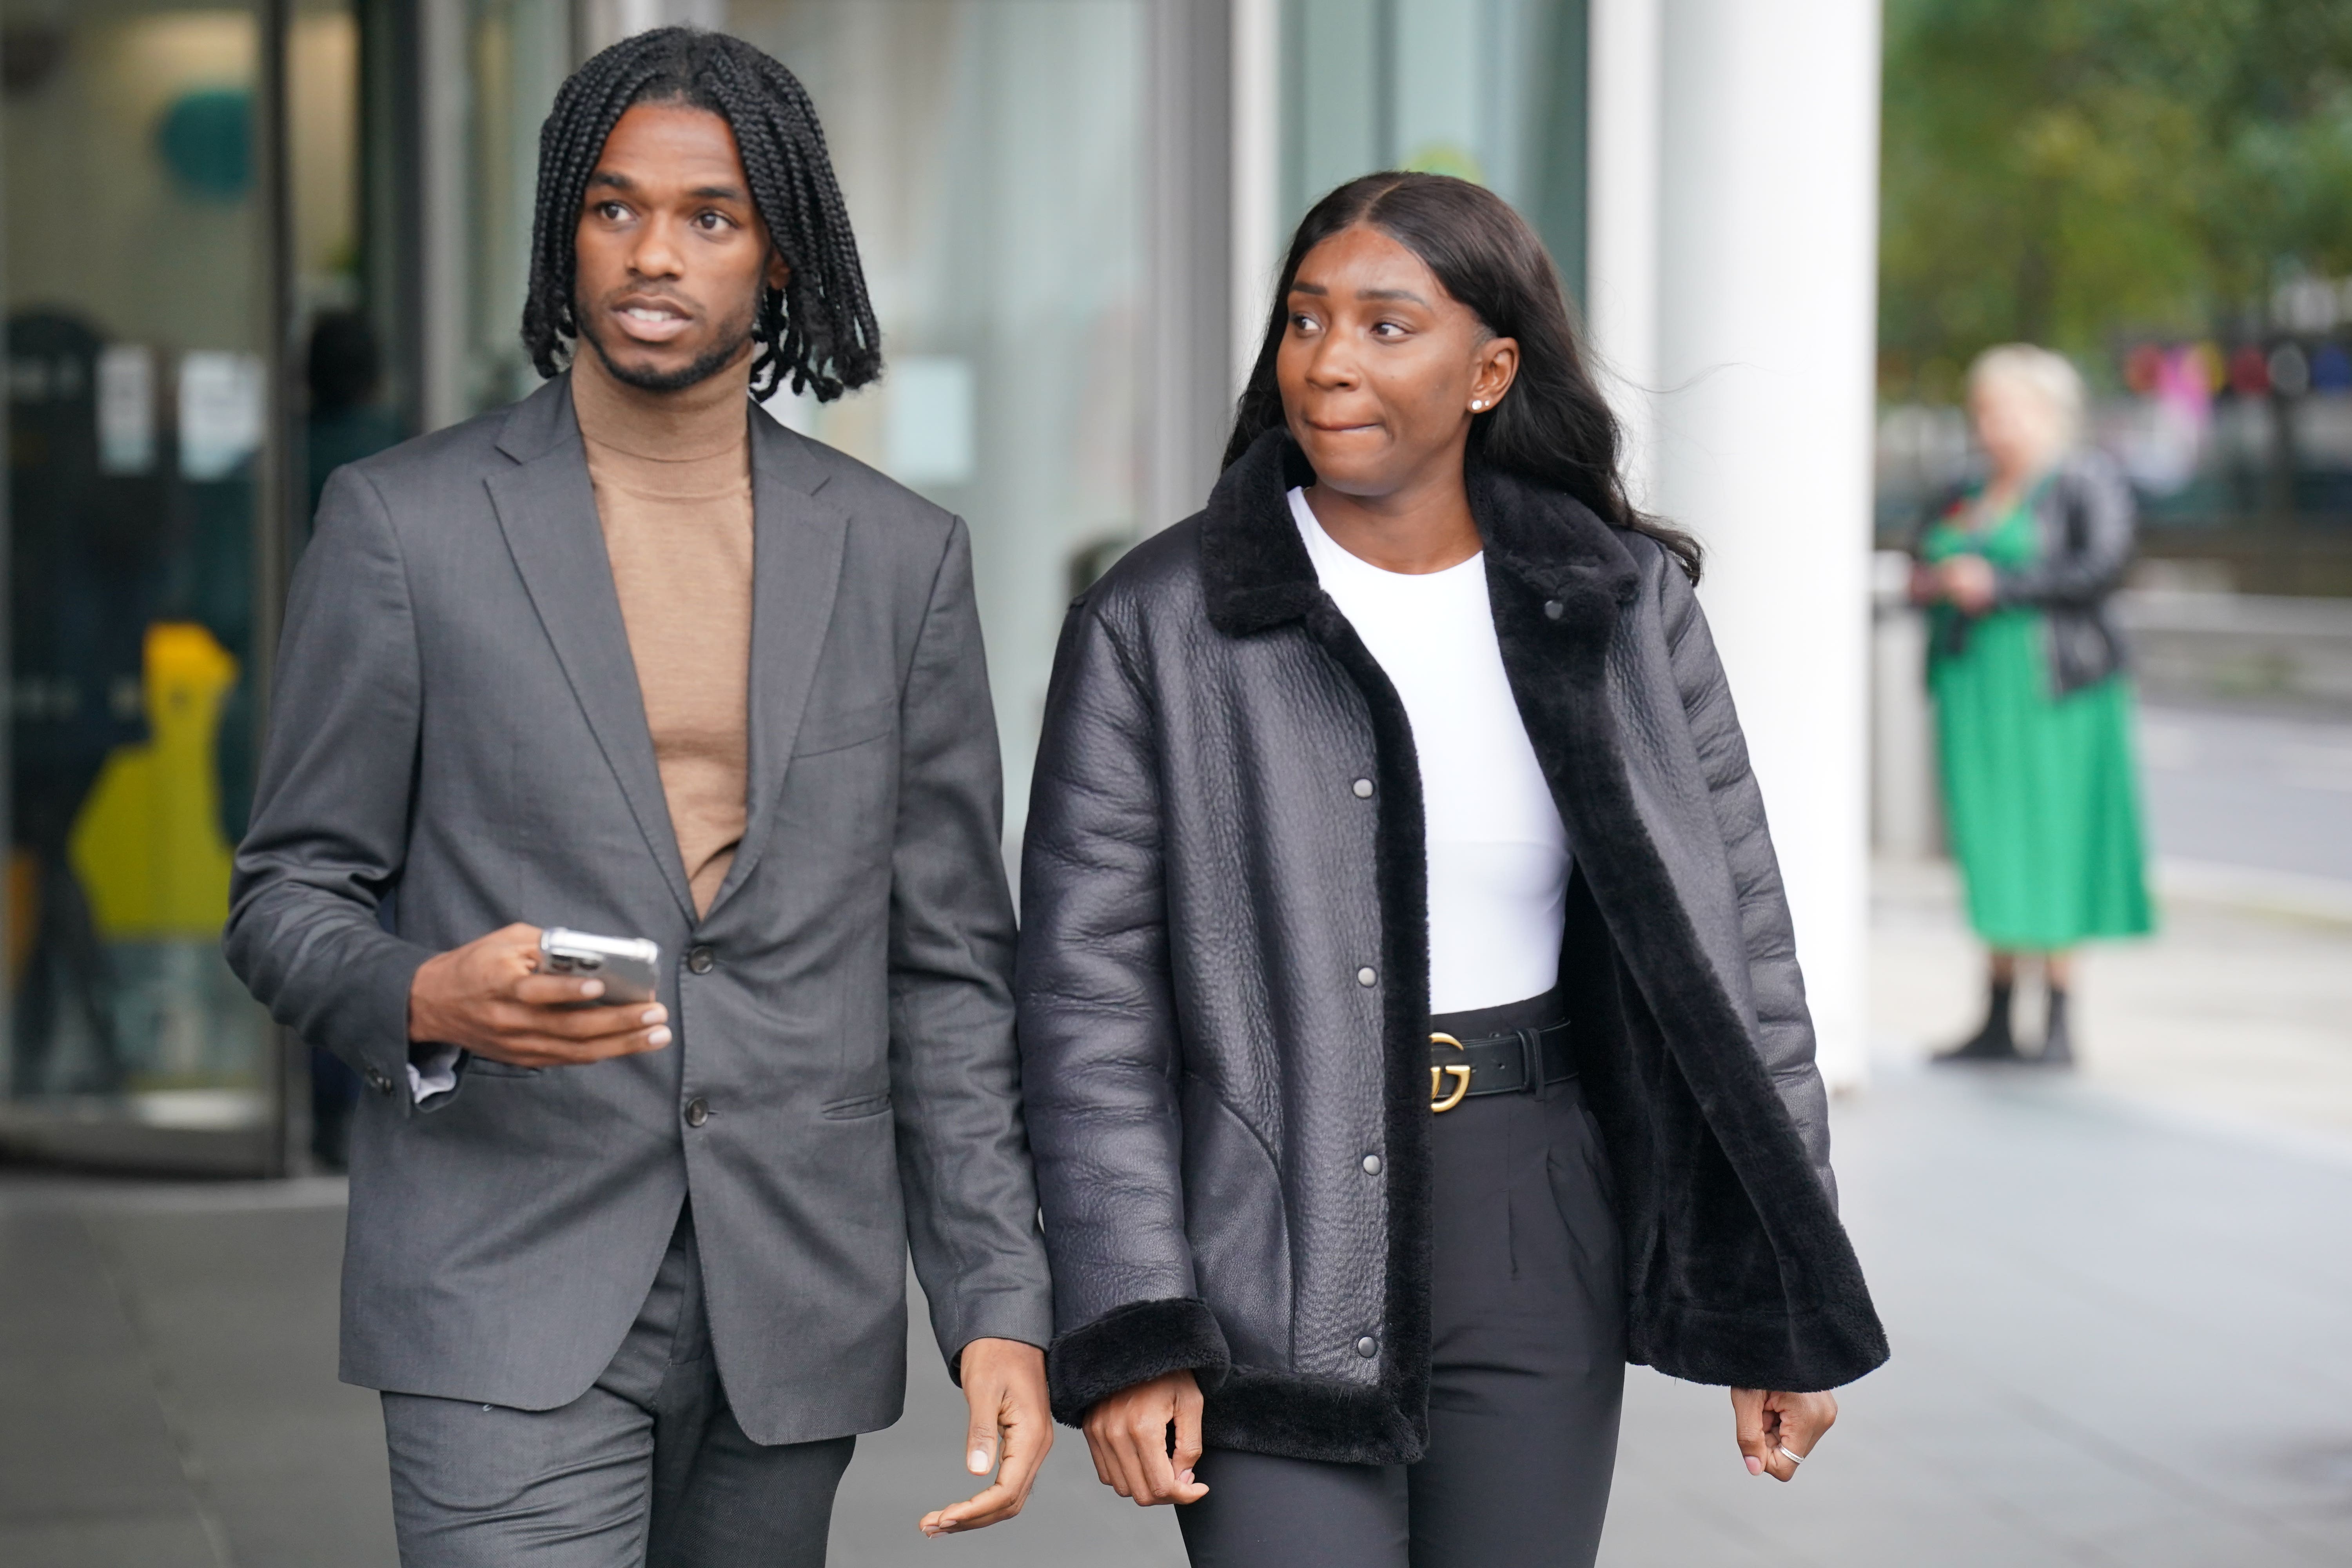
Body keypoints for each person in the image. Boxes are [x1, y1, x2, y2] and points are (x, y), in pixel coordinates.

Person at [225, 28, 1051, 1565]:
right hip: (502, 1264)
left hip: (789, 1284)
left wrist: (998, 1305)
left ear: (781, 255)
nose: (652, 255)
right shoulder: (405, 527)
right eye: (613, 211)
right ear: (565, 234)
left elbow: (946, 970)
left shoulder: (898, 558)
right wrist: (424, 993)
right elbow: (284, 896)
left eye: (708, 217)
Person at [1016, 172, 1887, 1568]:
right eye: (1306, 321)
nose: (1331, 361)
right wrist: (1132, 1321)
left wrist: (1787, 1286)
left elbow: (1745, 962)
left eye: (1385, 324)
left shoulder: (1620, 605)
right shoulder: (1158, 620)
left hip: (1536, 1208)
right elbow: (1084, 1007)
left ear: (1491, 370)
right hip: (1267, 1228)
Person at [1913, 345, 2152, 1068]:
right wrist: (1935, 578)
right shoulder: (1967, 484)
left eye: (2004, 409)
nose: (1989, 425)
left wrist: (2000, 586)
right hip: (1977, 686)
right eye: (1981, 410)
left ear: (2047, 413)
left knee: (2054, 839)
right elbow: (1919, 554)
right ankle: (1995, 1009)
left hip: (2056, 688)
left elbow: (2104, 566)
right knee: (1992, 840)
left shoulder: (2084, 478)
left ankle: (2055, 1017)